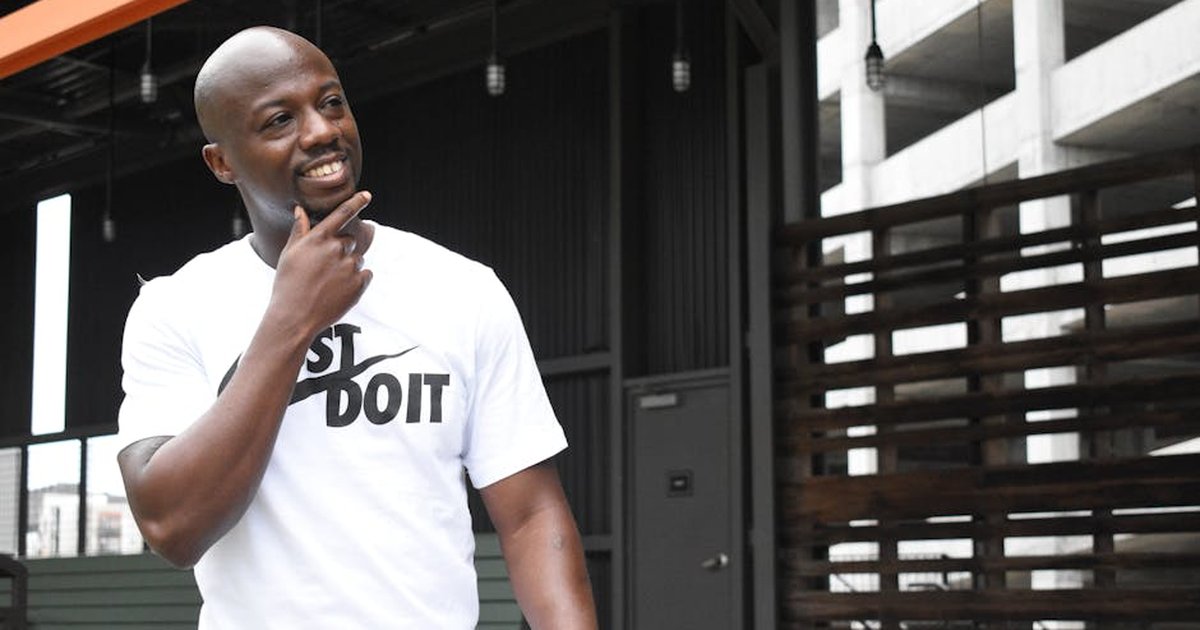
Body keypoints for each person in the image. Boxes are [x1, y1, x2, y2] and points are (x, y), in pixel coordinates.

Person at [115, 25, 597, 629]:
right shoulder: (175, 306)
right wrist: (291, 319)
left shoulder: (463, 289)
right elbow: (172, 528)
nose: (322, 132)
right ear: (221, 162)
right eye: (278, 121)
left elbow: (530, 517)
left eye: (331, 102)